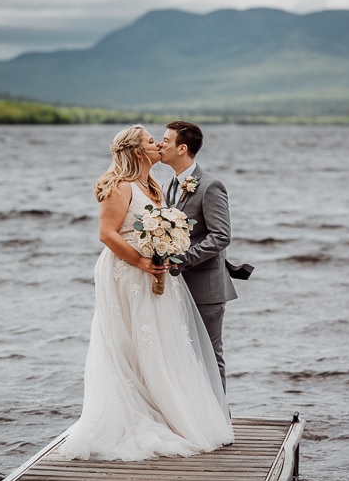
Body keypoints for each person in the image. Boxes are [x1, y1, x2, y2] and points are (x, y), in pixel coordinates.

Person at [51, 124, 233, 462]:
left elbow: (207, 233)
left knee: (160, 343)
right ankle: (136, 416)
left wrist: (165, 254)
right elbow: (106, 233)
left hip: (152, 275)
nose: (158, 144)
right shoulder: (119, 186)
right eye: (152, 141)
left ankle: (168, 412)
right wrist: (142, 261)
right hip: (127, 272)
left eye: (162, 140)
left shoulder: (154, 186)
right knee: (130, 342)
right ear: (138, 151)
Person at [159, 121, 247, 391]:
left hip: (206, 288)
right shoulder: (169, 185)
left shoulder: (210, 186)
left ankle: (221, 420)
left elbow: (221, 236)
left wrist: (180, 260)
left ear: (181, 148)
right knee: (183, 355)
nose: (160, 144)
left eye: (165, 140)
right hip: (178, 287)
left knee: (209, 356)